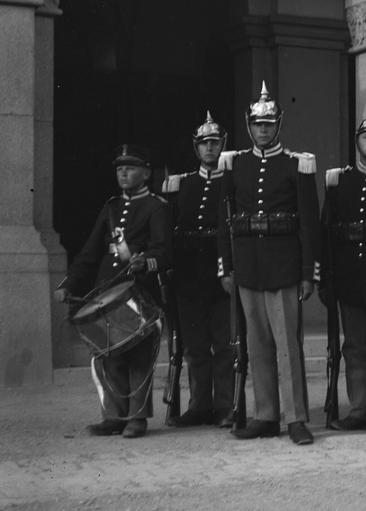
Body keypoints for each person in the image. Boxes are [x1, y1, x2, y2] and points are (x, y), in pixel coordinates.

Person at [217, 83, 320, 446]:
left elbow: (309, 223)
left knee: (287, 345)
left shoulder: (296, 165)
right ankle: (266, 415)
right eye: (258, 124)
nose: (264, 130)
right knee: (257, 343)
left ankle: (295, 418)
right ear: (249, 126)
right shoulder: (235, 164)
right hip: (248, 265)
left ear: (279, 125)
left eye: (270, 124)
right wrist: (226, 267)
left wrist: (309, 273)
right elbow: (224, 222)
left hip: (283, 265)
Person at [54, 144, 173, 438]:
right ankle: (114, 417)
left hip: (139, 291)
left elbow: (164, 249)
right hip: (107, 293)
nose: (123, 172)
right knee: (110, 355)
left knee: (138, 356)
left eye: (130, 167)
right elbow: (90, 252)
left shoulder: (157, 208)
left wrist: (145, 261)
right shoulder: (111, 207)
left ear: (145, 172)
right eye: (119, 168)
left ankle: (137, 418)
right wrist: (69, 284)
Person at [319, 113, 366, 433]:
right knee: (354, 346)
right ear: (356, 142)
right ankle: (359, 408)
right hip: (348, 273)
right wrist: (325, 278)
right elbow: (326, 232)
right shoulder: (340, 180)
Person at [162, 113, 235, 428]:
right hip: (189, 273)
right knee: (193, 346)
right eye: (204, 144)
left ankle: (224, 406)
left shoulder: (232, 181)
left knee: (223, 344)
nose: (209, 149)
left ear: (223, 145)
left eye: (214, 143)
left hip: (220, 274)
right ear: (196, 148)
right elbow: (168, 232)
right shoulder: (181, 185)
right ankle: (199, 406)